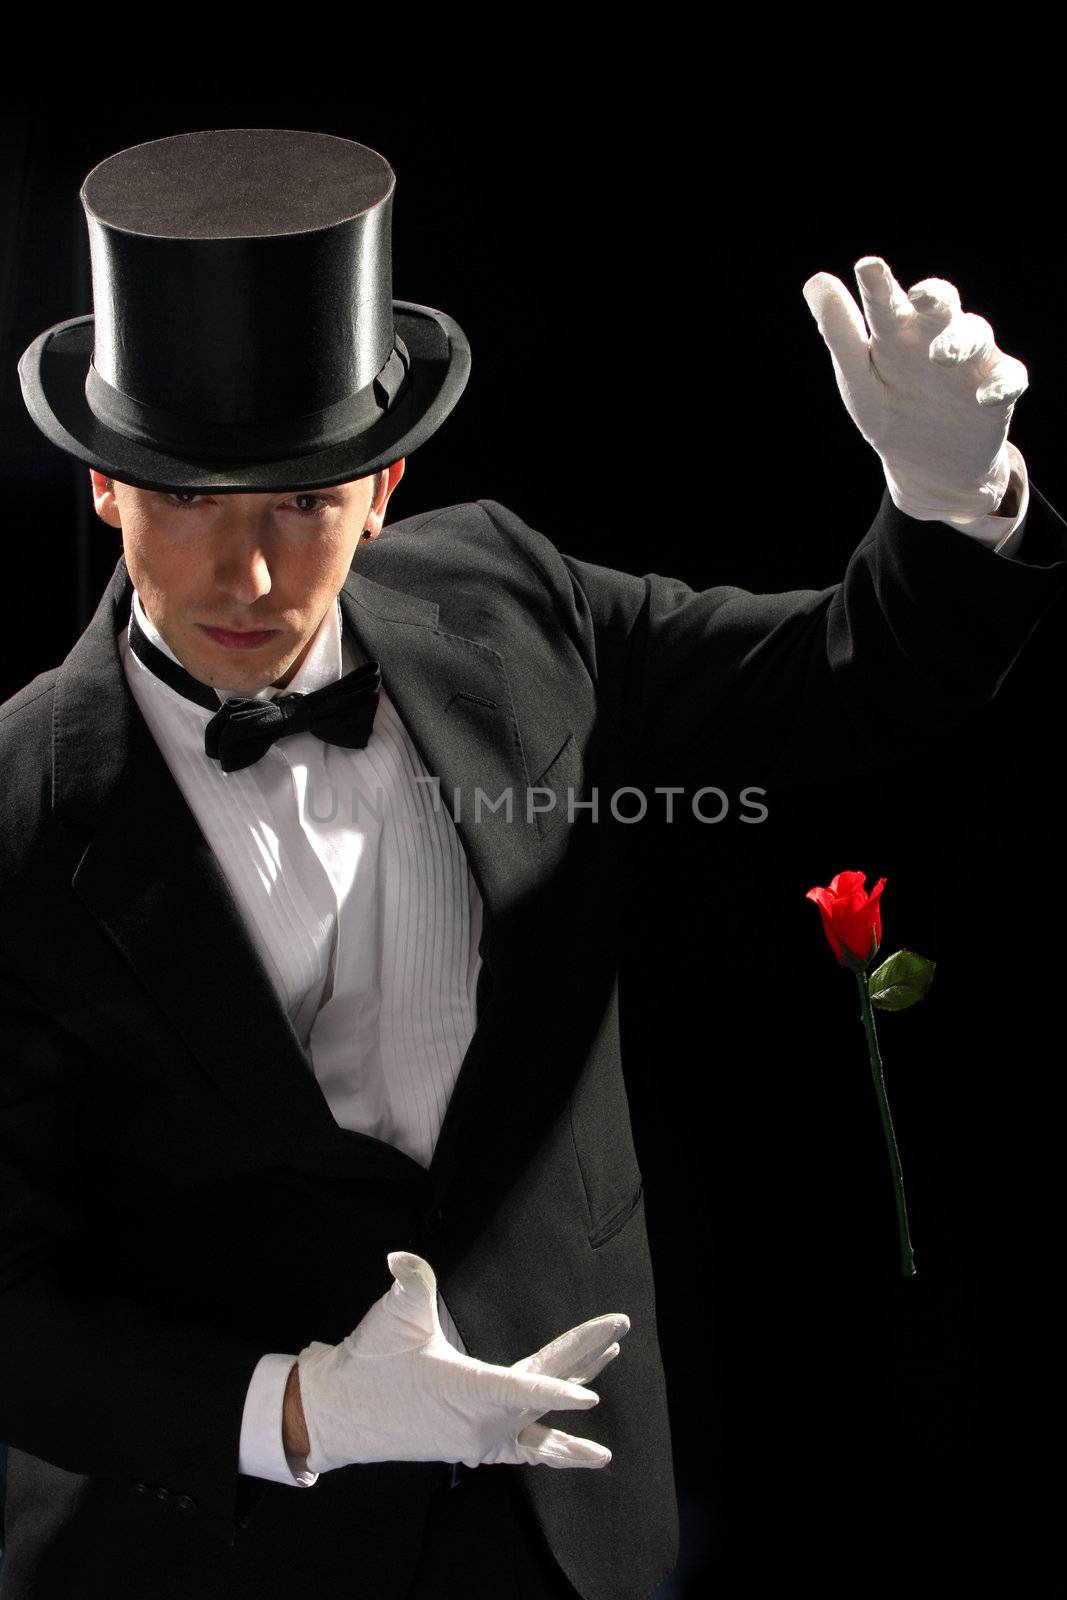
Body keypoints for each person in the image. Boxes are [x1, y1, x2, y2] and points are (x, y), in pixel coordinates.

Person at [1, 127, 1065, 1600]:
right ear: (107, 491)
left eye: (301, 501)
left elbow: (851, 676)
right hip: (210, 1553)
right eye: (185, 498)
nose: (242, 570)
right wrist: (296, 1409)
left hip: (572, 1526)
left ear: (383, 487)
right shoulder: (10, 813)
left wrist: (952, 496)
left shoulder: (512, 599)